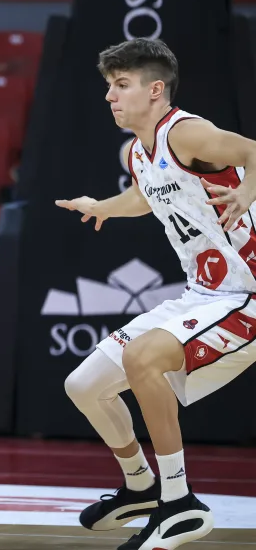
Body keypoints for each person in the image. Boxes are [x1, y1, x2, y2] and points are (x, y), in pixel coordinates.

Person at [58, 39, 256, 550]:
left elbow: (254, 152)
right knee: (83, 385)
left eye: (121, 86)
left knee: (143, 357)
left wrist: (246, 191)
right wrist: (103, 206)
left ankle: (179, 503)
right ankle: (142, 487)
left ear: (156, 90)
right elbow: (147, 196)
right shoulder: (139, 152)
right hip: (203, 293)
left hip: (247, 294)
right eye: (108, 87)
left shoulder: (188, 132)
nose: (110, 97)